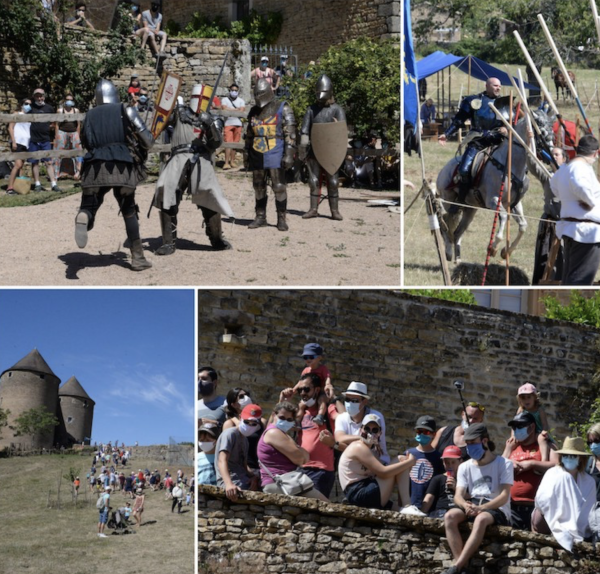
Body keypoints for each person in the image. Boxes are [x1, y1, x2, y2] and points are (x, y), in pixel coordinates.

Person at [74, 78, 154, 271]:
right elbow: (148, 141)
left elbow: (85, 141)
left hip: (95, 166)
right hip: (122, 164)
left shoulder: (89, 115)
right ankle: (137, 257)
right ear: (115, 93)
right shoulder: (125, 109)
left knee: (90, 203)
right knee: (129, 211)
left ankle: (85, 215)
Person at [152, 83, 233, 255]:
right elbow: (162, 119)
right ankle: (168, 242)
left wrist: (209, 124)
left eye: (203, 98)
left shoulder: (213, 119)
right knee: (166, 192)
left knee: (210, 195)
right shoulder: (179, 114)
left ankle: (216, 238)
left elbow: (216, 143)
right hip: (178, 157)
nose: (199, 101)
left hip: (202, 158)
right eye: (197, 98)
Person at [441, 423, 513, 574]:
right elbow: (458, 496)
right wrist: (465, 506)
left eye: (473, 443)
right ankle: (463, 568)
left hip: (496, 507)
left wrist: (481, 508)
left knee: (481, 519)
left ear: (485, 441)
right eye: (467, 444)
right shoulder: (464, 466)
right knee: (450, 516)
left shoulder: (504, 464)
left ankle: (457, 567)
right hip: (473, 504)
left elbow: (504, 496)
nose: (469, 447)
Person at [438, 77, 507, 215]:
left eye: (499, 85)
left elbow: (514, 121)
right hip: (478, 142)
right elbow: (459, 120)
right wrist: (447, 134)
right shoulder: (473, 101)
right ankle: (461, 200)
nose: (498, 88)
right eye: (495, 85)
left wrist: (507, 128)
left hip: (500, 143)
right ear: (487, 86)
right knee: (464, 170)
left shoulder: (505, 103)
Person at [245, 78, 296, 231]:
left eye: (261, 94)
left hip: (275, 150)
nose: (258, 97)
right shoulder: (254, 111)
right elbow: (249, 134)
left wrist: (289, 154)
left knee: (278, 186)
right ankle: (260, 217)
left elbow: (291, 134)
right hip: (257, 150)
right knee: (258, 186)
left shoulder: (283, 107)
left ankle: (281, 218)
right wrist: (246, 154)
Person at [550, 134, 600, 285]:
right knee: (580, 281)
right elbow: (580, 185)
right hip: (585, 233)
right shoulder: (580, 167)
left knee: (571, 279)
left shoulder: (564, 169)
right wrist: (590, 201)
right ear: (595, 153)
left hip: (575, 229)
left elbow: (555, 187)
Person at [338, 414, 415, 509]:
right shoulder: (358, 447)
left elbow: (387, 472)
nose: (371, 433)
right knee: (399, 460)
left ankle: (405, 507)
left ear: (380, 433)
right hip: (358, 493)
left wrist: (406, 465)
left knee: (398, 510)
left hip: (365, 490)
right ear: (361, 430)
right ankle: (407, 505)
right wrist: (410, 462)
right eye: (367, 429)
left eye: (375, 430)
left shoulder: (373, 451)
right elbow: (383, 473)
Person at [280, 373, 338, 498]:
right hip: (301, 469)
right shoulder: (301, 412)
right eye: (300, 390)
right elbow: (275, 426)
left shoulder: (328, 409)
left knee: (315, 511)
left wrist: (333, 398)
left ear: (317, 389)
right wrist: (284, 400)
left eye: (306, 389)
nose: (302, 393)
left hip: (321, 470)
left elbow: (344, 420)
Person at [533, 436, 595, 551]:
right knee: (565, 477)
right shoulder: (552, 473)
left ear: (580, 458)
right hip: (546, 519)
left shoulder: (589, 481)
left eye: (573, 456)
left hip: (577, 525)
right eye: (566, 455)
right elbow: (541, 501)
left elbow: (588, 509)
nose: (569, 458)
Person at [257, 401, 328, 500]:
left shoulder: (280, 433)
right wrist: (293, 444)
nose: (285, 421)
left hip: (289, 483)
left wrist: (294, 446)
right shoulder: (274, 432)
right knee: (327, 505)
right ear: (274, 415)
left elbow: (306, 458)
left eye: (289, 419)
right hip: (281, 484)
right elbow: (300, 459)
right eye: (282, 418)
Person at [298, 74, 346, 220]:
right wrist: (303, 148)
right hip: (314, 150)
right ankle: (313, 209)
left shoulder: (337, 109)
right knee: (313, 181)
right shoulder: (311, 110)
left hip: (331, 151)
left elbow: (342, 132)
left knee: (333, 181)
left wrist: (336, 125)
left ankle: (334, 210)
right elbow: (305, 130)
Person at [502, 412, 555, 530]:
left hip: (536, 509)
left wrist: (532, 464)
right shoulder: (512, 447)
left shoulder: (546, 445)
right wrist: (508, 456)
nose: (516, 430)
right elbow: (497, 468)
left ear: (531, 427)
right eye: (514, 427)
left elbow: (556, 466)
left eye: (520, 426)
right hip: (512, 507)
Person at [532, 146, 568, 284]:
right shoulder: (547, 176)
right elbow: (532, 162)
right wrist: (530, 141)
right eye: (552, 154)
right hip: (548, 224)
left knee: (563, 261)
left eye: (557, 154)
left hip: (565, 226)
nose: (554, 156)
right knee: (543, 260)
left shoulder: (570, 177)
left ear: (564, 159)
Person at [334, 381, 390, 464]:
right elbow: (339, 438)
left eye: (355, 400)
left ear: (364, 402)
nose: (350, 403)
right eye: (347, 399)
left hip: (377, 462)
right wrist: (361, 437)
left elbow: (374, 442)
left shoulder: (376, 417)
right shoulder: (341, 417)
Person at [215, 403, 262, 501]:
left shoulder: (244, 439)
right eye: (247, 422)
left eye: (253, 424)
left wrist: (253, 477)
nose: (250, 425)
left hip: (242, 478)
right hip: (230, 480)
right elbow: (222, 460)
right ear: (240, 417)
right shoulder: (230, 434)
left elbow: (243, 465)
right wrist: (228, 484)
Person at [401, 415, 444, 514]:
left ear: (434, 434)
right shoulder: (408, 453)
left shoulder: (439, 458)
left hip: (430, 508)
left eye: (426, 432)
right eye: (419, 431)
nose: (422, 434)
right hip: (409, 505)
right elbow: (402, 481)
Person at [222, 388, 265, 473]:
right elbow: (226, 454)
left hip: (260, 470)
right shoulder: (230, 424)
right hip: (240, 472)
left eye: (247, 395)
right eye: (241, 396)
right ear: (234, 404)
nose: (246, 398)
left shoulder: (261, 422)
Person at [27, 88, 61, 193]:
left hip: (45, 139)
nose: (39, 98)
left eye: (41, 96)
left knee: (48, 162)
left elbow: (54, 122)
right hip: (33, 139)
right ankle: (37, 184)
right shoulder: (30, 108)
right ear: (34, 97)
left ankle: (53, 184)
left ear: (44, 97)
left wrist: (48, 128)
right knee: (35, 163)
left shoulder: (49, 108)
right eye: (37, 96)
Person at [293, 343, 333, 426]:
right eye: (305, 357)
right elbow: (300, 382)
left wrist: (328, 385)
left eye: (311, 357)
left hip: (320, 392)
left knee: (321, 400)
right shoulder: (306, 370)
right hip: (309, 394)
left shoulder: (322, 369)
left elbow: (327, 378)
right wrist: (293, 390)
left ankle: (320, 416)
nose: (308, 359)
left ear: (319, 358)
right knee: (301, 405)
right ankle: (297, 421)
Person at [420, 445, 464, 518]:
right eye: (447, 462)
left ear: (460, 461)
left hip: (457, 513)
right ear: (443, 462)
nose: (450, 466)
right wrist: (422, 515)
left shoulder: (465, 479)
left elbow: (470, 497)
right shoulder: (438, 479)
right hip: (440, 511)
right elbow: (429, 498)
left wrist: (456, 488)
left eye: (453, 462)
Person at [515, 382, 551, 459]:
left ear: (534, 397)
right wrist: (513, 436)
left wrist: (544, 431)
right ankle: (504, 460)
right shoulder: (521, 409)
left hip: (537, 432)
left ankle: (544, 459)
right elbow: (515, 424)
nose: (526, 400)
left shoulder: (539, 410)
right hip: (525, 432)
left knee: (541, 439)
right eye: (523, 398)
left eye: (528, 397)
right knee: (511, 443)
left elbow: (545, 424)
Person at [53, 93, 83, 180]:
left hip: (74, 132)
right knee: (58, 152)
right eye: (67, 99)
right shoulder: (60, 111)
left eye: (71, 99)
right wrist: (56, 136)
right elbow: (57, 125)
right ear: (64, 101)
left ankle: (78, 171)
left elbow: (78, 124)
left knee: (78, 152)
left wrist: (78, 135)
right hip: (62, 132)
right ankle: (56, 173)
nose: (69, 101)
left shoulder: (76, 111)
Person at [6, 98, 31, 195]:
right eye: (26, 103)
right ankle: (9, 188)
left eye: (29, 104)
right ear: (21, 105)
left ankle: (19, 187)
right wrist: (14, 142)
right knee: (17, 165)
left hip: (26, 143)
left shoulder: (30, 116)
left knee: (21, 166)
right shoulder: (16, 114)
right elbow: (10, 128)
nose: (28, 105)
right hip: (18, 142)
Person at [220, 83, 246, 170]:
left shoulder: (241, 100)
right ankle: (226, 163)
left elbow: (242, 110)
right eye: (232, 90)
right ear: (229, 90)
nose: (234, 92)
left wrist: (230, 109)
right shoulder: (225, 99)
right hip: (228, 123)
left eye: (235, 90)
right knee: (228, 143)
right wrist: (236, 109)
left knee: (235, 144)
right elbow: (223, 108)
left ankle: (232, 161)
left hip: (238, 123)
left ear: (238, 91)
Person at [198, 421, 219, 486]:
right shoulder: (197, 457)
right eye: (201, 440)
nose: (204, 442)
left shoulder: (221, 457)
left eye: (208, 440)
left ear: (216, 441)